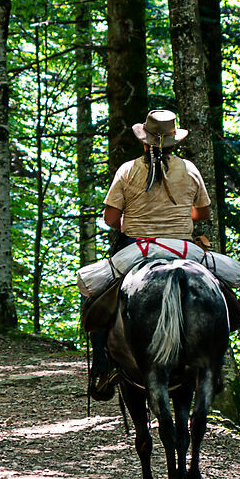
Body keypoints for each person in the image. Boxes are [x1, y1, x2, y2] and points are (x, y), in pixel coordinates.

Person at [87, 109, 213, 398]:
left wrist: (133, 222)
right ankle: (213, 365)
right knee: (220, 286)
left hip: (136, 247)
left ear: (144, 141)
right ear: (174, 142)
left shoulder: (128, 170)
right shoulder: (190, 169)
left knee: (96, 294)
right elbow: (202, 213)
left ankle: (104, 368)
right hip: (183, 247)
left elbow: (109, 219)